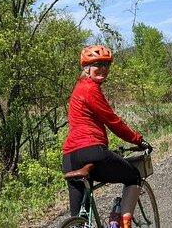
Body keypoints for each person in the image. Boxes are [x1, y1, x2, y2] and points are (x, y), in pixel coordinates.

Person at [62, 44, 152, 228]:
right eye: (97, 64)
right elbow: (113, 122)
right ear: (86, 68)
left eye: (106, 64)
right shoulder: (90, 89)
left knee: (80, 220)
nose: (103, 68)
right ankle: (124, 224)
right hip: (92, 152)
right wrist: (138, 139)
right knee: (133, 176)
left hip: (69, 158)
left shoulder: (77, 89)